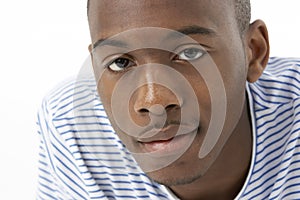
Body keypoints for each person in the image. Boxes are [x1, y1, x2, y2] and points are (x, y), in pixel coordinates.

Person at [36, 0, 300, 199]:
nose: (153, 101)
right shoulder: (70, 125)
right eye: (120, 62)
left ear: (253, 52)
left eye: (190, 53)